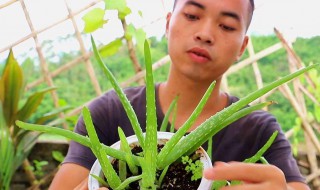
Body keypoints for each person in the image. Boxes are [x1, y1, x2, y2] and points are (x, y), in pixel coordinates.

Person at [49, 0, 310, 189]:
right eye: (192, 16)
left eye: (227, 26)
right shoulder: (108, 113)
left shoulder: (260, 130)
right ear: (167, 22)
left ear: (243, 46)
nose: (205, 34)